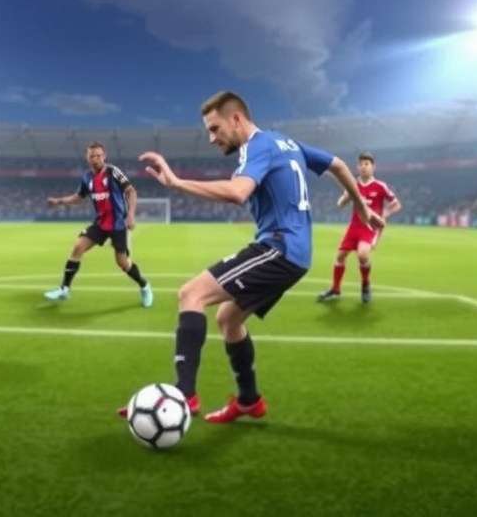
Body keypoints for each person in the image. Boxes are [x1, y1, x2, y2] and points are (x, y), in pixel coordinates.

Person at [119, 91, 383, 423]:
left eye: (215, 129)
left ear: (236, 119)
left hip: (279, 248)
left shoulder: (256, 146)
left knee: (191, 294)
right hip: (295, 254)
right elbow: (339, 165)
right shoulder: (285, 142)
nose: (212, 138)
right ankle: (249, 401)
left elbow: (237, 192)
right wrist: (362, 207)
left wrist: (176, 182)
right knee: (229, 319)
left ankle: (183, 396)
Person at [44, 142, 153, 308]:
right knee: (78, 247)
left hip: (118, 225)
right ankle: (64, 289)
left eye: (98, 155)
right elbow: (78, 197)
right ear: (87, 158)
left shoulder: (113, 172)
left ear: (104, 156)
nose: (95, 159)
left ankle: (144, 286)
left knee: (123, 263)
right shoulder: (87, 177)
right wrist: (58, 201)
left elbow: (131, 191)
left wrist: (130, 215)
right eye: (91, 156)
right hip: (100, 224)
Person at [318, 152, 402, 303]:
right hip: (354, 226)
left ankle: (365, 285)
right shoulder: (353, 185)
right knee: (340, 257)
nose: (363, 167)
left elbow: (396, 204)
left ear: (373, 167)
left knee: (363, 255)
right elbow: (340, 204)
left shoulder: (380, 186)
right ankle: (335, 289)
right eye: (361, 164)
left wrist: (385, 215)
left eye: (367, 164)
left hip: (369, 227)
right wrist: (346, 197)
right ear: (357, 167)